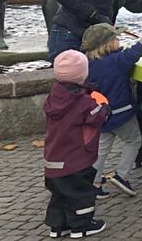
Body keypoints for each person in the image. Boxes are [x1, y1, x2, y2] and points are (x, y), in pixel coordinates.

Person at [84, 22, 142, 199]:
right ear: (107, 44)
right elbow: (136, 51)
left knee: (101, 148)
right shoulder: (118, 61)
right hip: (122, 113)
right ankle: (121, 176)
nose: (119, 40)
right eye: (116, 38)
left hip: (100, 114)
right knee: (134, 141)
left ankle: (94, 183)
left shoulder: (87, 64)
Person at [43, 49, 109, 238]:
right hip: (75, 159)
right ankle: (81, 226)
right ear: (83, 74)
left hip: (53, 159)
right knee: (80, 193)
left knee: (60, 194)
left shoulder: (54, 97)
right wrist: (104, 107)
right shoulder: (83, 102)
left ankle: (57, 226)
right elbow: (97, 116)